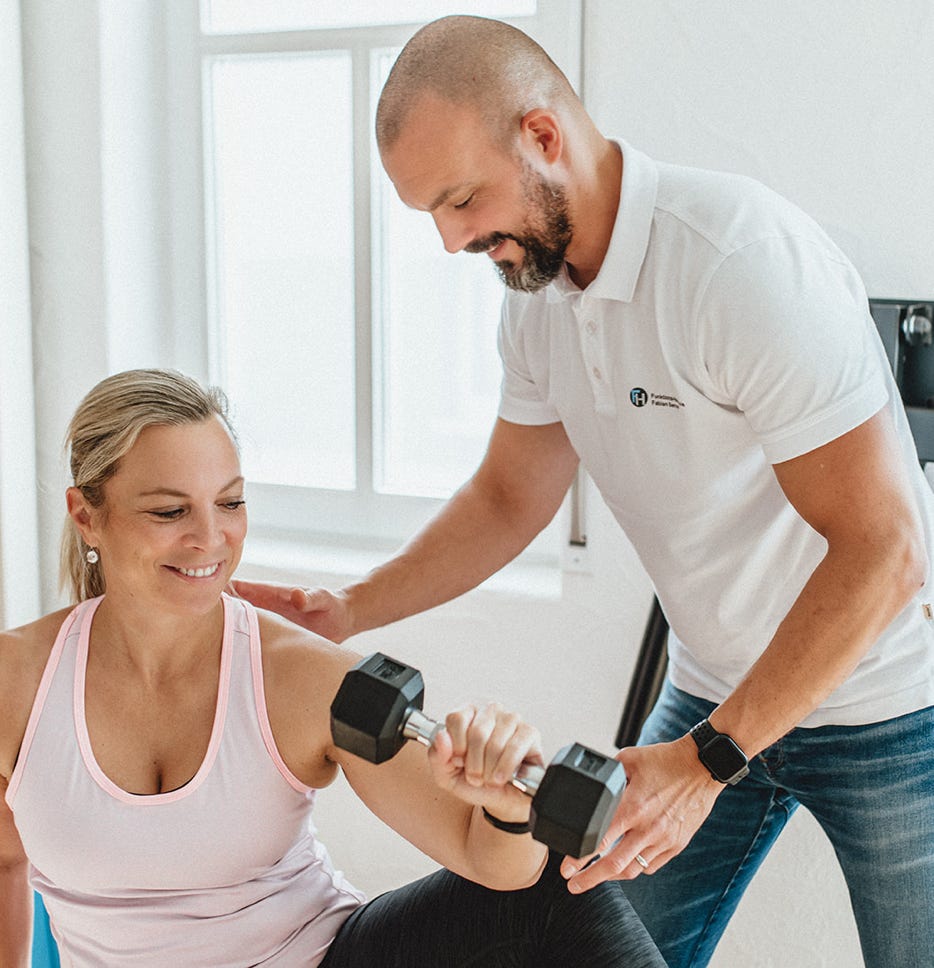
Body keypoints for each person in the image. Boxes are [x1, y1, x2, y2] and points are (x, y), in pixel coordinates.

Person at [233, 13, 934, 968]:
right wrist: (350, 606)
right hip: (713, 690)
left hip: (893, 705)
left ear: (543, 137)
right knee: (598, 949)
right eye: (432, 214)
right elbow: (507, 500)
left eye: (462, 200)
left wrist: (704, 765)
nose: (452, 241)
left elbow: (886, 550)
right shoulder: (541, 308)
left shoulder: (737, 263)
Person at [0, 368, 664, 967]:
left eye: (230, 502)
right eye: (171, 511)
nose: (211, 538)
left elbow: (496, 865)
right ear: (87, 516)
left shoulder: (301, 677)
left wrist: (504, 809)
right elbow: (6, 861)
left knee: (556, 888)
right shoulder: (16, 682)